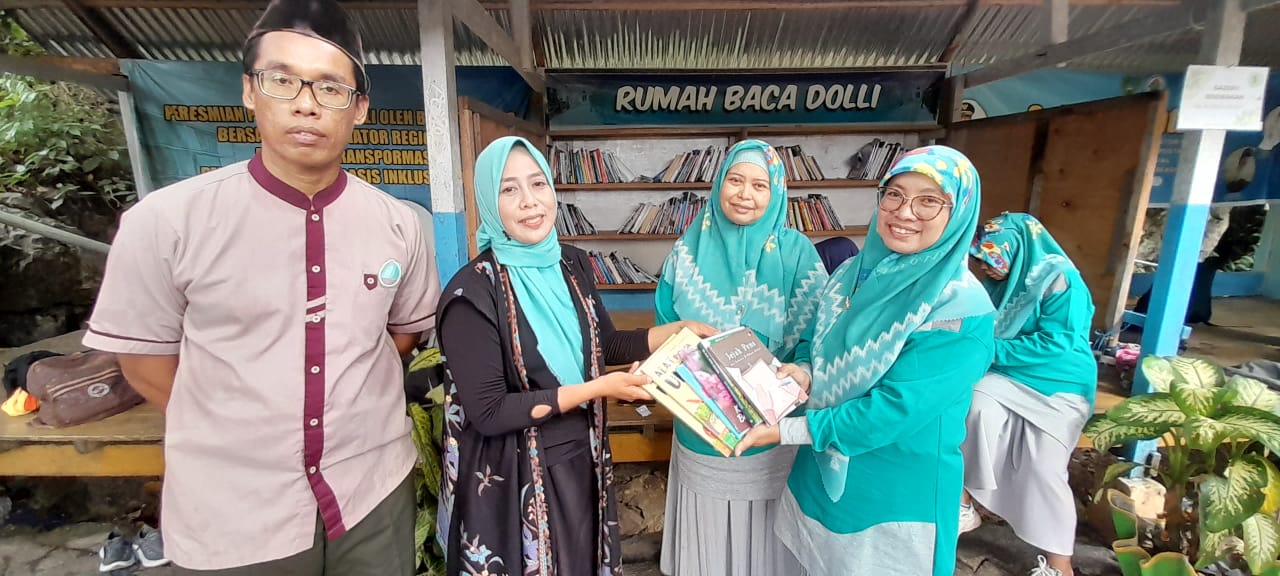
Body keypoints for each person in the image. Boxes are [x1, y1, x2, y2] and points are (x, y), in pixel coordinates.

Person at [82, 0, 441, 573]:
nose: (306, 103)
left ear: (359, 108)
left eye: (330, 88)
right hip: (235, 509)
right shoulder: (166, 223)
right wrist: (241, 428)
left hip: (372, 492)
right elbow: (145, 365)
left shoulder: (399, 224)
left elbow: (399, 337)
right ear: (250, 90)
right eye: (283, 80)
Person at [435, 136, 714, 576]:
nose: (529, 202)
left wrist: (673, 332)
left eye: (537, 184)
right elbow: (489, 412)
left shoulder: (571, 264)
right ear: (488, 200)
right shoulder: (471, 295)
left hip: (582, 457)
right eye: (509, 189)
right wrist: (599, 388)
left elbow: (603, 343)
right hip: (516, 476)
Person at [735, 145, 996, 576]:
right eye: (894, 194)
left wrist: (787, 431)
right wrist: (805, 370)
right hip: (820, 478)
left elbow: (895, 410)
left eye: (929, 201)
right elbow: (815, 339)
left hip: (893, 495)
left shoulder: (959, 309)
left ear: (960, 212)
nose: (904, 212)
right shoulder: (851, 274)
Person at [654, 139, 828, 576]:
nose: (744, 194)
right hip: (703, 423)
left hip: (774, 424)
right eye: (735, 180)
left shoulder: (797, 253)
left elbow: (819, 335)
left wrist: (804, 369)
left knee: (769, 534)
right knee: (710, 526)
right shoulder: (687, 251)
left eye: (759, 185)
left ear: (776, 192)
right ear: (719, 184)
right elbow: (664, 327)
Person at [961, 212, 1097, 576]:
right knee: (974, 405)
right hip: (1007, 375)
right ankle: (965, 500)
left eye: (991, 259)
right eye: (980, 259)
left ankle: (1059, 565)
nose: (984, 268)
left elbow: (1057, 343)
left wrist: (984, 349)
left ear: (1017, 250)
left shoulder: (1060, 280)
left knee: (1043, 468)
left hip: (1059, 383)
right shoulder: (996, 285)